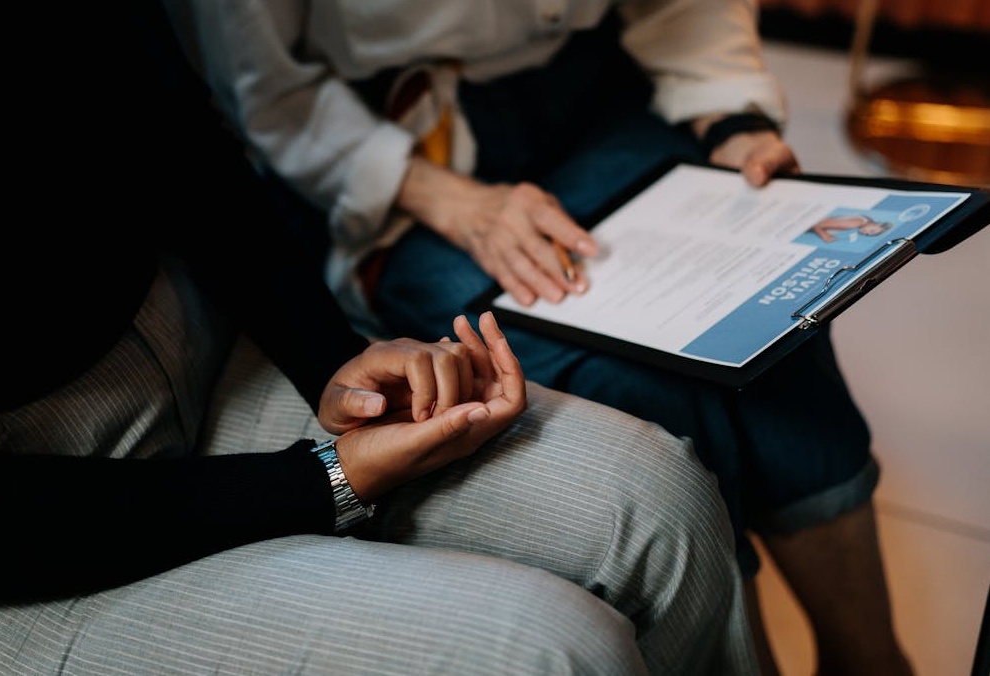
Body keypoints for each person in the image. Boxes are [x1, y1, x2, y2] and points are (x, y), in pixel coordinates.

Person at [0, 2, 760, 674]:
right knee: (555, 651)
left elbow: (180, 137)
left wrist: (335, 363)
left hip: (205, 345)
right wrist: (324, 480)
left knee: (662, 500)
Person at [161, 1, 915, 673]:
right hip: (389, 144)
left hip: (588, 89)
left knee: (769, 321)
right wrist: (451, 201)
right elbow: (267, 88)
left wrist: (732, 121)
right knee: (625, 382)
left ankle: (871, 658)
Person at [810, 213, 894, 243]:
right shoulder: (856, 223)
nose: (866, 233)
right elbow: (817, 225)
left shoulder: (860, 222)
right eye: (872, 231)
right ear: (876, 224)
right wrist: (826, 237)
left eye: (868, 234)